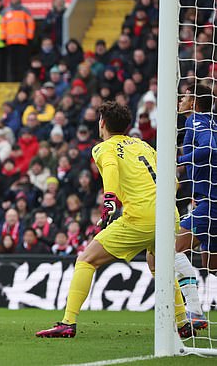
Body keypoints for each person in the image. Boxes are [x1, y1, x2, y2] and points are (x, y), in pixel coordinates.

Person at [36, 101, 194, 338]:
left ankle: (68, 322)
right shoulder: (143, 145)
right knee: (158, 266)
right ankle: (182, 323)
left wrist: (109, 198)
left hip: (140, 217)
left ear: (102, 123)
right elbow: (172, 180)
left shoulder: (103, 148)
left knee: (86, 260)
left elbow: (110, 168)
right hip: (168, 213)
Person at [175, 84, 217, 329]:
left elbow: (210, 148)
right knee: (211, 265)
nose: (181, 100)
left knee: (170, 250)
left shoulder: (196, 122)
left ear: (193, 102)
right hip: (208, 200)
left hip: (210, 204)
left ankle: (194, 312)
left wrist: (178, 160)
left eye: (185, 96)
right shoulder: (211, 121)